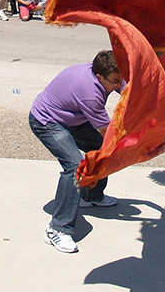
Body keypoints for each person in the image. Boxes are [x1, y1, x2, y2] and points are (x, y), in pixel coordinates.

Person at [29, 50, 123, 253]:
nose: (118, 85)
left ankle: (91, 196)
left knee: (99, 151)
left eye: (120, 79)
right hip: (47, 121)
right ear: (100, 77)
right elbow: (109, 133)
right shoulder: (90, 93)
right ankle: (57, 229)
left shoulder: (106, 73)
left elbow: (127, 89)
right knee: (74, 166)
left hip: (74, 119)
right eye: (115, 82)